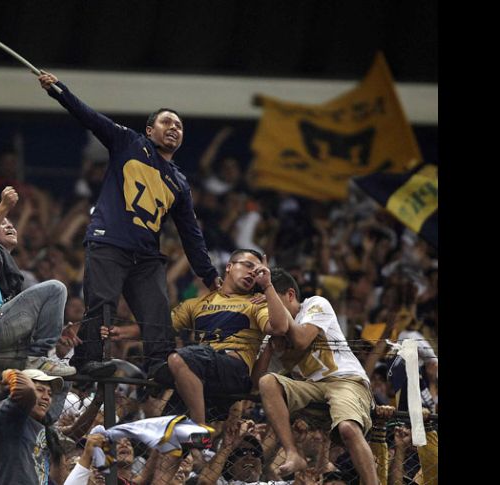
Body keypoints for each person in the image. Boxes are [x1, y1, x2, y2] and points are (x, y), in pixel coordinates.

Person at [38, 72, 222, 378]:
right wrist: (60, 91)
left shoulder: (179, 182)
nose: (173, 128)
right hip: (109, 241)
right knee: (102, 303)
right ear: (150, 130)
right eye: (166, 122)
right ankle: (87, 360)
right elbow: (91, 118)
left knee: (157, 313)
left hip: (146, 256)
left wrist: (208, 273)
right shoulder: (129, 143)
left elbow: (191, 234)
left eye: (179, 126)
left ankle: (160, 365)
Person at [103, 249, 286, 426]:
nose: (252, 274)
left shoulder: (256, 303)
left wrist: (267, 286)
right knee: (167, 436)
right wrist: (122, 332)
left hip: (233, 372)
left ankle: (199, 429)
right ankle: (193, 447)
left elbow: (279, 327)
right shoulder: (197, 304)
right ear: (229, 267)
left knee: (177, 358)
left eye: (257, 271)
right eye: (247, 265)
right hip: (200, 373)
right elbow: (161, 327)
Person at [256, 268, 378, 485]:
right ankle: (293, 453)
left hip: (346, 380)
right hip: (312, 389)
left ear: (290, 295)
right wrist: (268, 343)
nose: (269, 309)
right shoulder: (273, 334)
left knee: (348, 429)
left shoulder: (315, 304)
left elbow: (301, 340)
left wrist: (269, 291)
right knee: (268, 382)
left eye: (271, 301)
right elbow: (256, 384)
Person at [0, 185, 76, 376]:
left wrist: (55, 330)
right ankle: (40, 355)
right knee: (56, 288)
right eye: (1, 223)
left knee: (63, 376)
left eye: (9, 222)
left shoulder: (7, 267)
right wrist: (4, 206)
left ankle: (42, 357)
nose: (10, 225)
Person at [0, 368, 68, 485]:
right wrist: (10, 374)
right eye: (40, 390)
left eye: (50, 394)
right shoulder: (10, 418)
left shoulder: (40, 427)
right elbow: (26, 389)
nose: (46, 397)